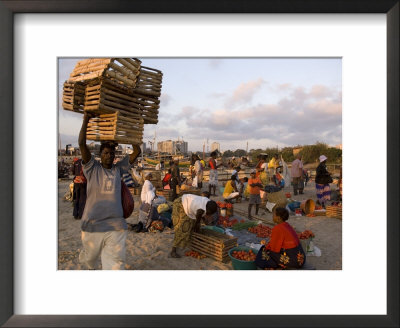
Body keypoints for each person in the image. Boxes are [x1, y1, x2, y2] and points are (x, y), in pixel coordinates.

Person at [77, 112, 141, 270]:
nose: (109, 156)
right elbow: (81, 144)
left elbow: (137, 152)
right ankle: (86, 259)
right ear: (100, 155)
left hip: (116, 226)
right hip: (92, 225)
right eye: (106, 153)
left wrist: (130, 130)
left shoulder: (119, 169)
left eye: (112, 153)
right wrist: (86, 119)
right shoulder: (92, 168)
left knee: (115, 266)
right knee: (89, 260)